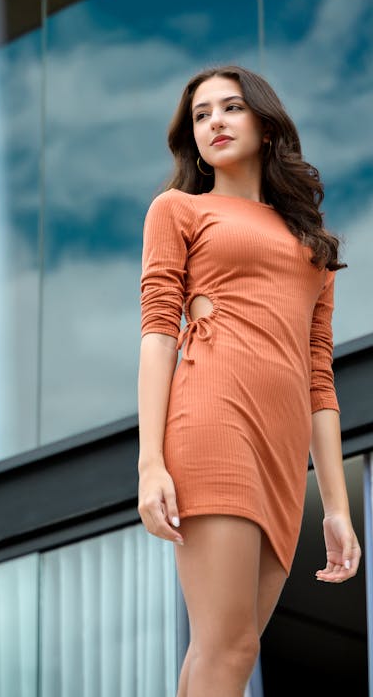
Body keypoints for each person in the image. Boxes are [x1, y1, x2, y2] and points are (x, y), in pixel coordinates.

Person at [137, 64, 361, 697]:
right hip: (213, 418)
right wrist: (150, 463)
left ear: (264, 125)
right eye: (202, 115)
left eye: (230, 108)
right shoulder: (178, 209)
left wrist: (337, 508)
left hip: (283, 452)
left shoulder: (312, 246)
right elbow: (158, 332)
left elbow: (320, 378)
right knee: (227, 646)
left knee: (229, 650)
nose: (215, 122)